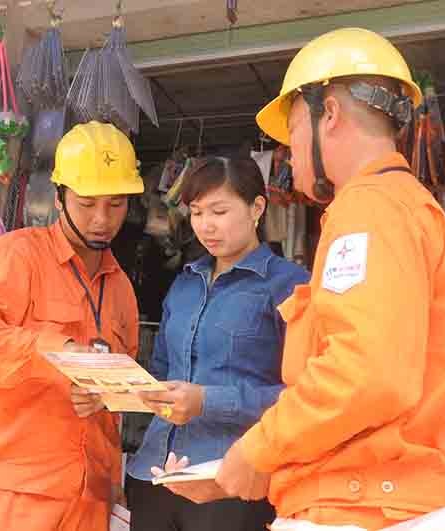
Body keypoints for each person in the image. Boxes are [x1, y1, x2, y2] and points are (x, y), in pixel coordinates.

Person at [173, 27, 445, 530]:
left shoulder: (367, 208)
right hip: (378, 497)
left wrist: (258, 448)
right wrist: (263, 465)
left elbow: (362, 373)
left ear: (331, 114)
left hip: (361, 503)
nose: (290, 153)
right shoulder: (407, 205)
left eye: (293, 130)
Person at [0, 121, 144, 531]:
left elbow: (119, 394)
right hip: (7, 498)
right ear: (59, 197)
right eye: (87, 203)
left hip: (89, 501)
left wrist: (106, 397)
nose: (102, 219)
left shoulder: (121, 288)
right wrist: (55, 355)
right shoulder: (18, 254)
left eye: (116, 203)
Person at [125, 157, 309, 531]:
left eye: (219, 211)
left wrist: (208, 401)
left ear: (257, 207)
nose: (206, 225)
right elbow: (161, 370)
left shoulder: (289, 284)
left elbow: (306, 395)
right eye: (196, 212)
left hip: (230, 480)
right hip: (154, 475)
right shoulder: (184, 283)